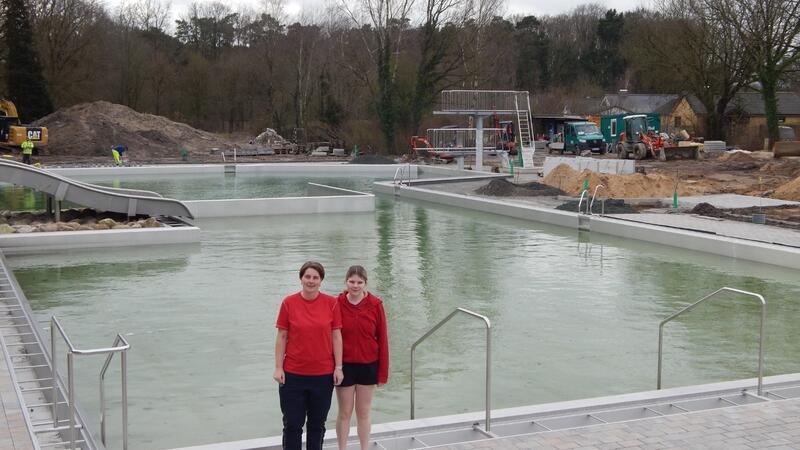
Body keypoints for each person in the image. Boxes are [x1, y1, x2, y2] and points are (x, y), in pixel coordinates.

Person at [274, 261, 344, 450]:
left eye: (315, 277)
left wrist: (339, 367)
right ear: (301, 278)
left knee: (316, 425)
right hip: (293, 375)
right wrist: (278, 367)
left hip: (322, 376)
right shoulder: (289, 303)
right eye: (307, 277)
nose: (311, 281)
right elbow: (282, 336)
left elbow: (336, 336)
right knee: (292, 425)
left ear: (321, 281)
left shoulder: (331, 303)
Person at [335, 265, 389, 450]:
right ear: (346, 282)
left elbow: (383, 339)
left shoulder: (376, 305)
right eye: (352, 281)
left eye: (359, 282)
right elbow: (332, 337)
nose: (355, 286)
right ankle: (342, 447)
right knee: (344, 413)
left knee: (364, 413)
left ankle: (364, 448)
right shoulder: (337, 304)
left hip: (368, 365)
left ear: (366, 283)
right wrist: (335, 366)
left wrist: (382, 374)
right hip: (345, 366)